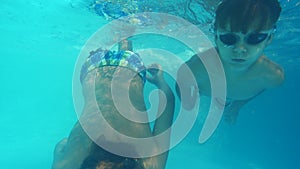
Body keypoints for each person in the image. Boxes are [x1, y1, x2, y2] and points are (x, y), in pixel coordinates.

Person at [52, 39, 175, 169]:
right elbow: (61, 144)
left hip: (129, 67)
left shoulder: (151, 165)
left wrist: (160, 82)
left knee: (125, 35)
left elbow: (168, 102)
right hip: (94, 68)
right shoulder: (64, 166)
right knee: (109, 32)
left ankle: (126, 32)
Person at [176, 0, 284, 124]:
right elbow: (181, 83)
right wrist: (188, 105)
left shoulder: (273, 76)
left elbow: (260, 89)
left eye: (255, 38)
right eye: (228, 38)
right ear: (216, 36)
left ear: (269, 38)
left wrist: (236, 106)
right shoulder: (194, 69)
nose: (239, 49)